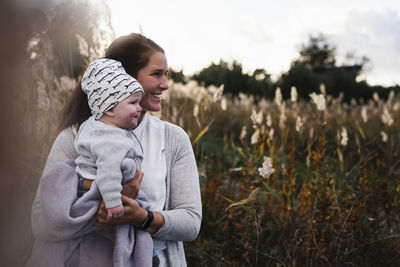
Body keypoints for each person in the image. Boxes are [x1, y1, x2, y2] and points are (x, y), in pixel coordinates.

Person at [29, 33, 202, 267]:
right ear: (124, 78)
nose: (165, 84)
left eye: (166, 75)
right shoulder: (76, 137)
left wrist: (142, 217)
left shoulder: (173, 139)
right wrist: (101, 215)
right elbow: (39, 222)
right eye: (156, 74)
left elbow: (191, 223)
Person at [75, 58, 144, 221]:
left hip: (100, 190)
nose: (140, 108)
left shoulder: (93, 126)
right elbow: (109, 170)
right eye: (133, 102)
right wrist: (113, 202)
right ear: (110, 109)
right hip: (107, 198)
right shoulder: (109, 138)